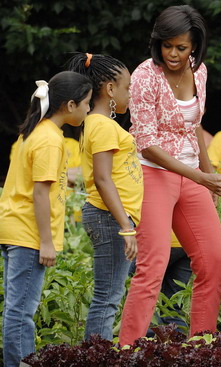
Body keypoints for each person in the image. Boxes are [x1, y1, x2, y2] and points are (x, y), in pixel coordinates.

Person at [118, 5, 221, 346]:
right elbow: (148, 144)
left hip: (193, 176)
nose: (173, 53)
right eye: (167, 45)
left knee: (214, 263)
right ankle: (128, 350)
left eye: (181, 47)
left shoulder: (199, 72)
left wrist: (208, 172)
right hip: (154, 173)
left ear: (195, 47)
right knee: (152, 268)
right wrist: (200, 177)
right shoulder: (144, 77)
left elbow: (194, 125)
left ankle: (202, 345)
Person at [0, 71, 92, 367]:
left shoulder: (36, 132)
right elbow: (40, 194)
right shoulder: (51, 141)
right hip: (27, 233)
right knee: (21, 311)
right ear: (69, 105)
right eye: (87, 104)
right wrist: (46, 242)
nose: (89, 110)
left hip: (15, 227)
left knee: (17, 308)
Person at [66, 52, 143, 340]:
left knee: (111, 295)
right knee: (107, 297)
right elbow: (102, 178)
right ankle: (97, 357)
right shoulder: (102, 125)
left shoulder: (102, 125)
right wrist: (126, 226)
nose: (131, 96)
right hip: (109, 218)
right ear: (110, 89)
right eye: (128, 88)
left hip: (112, 218)